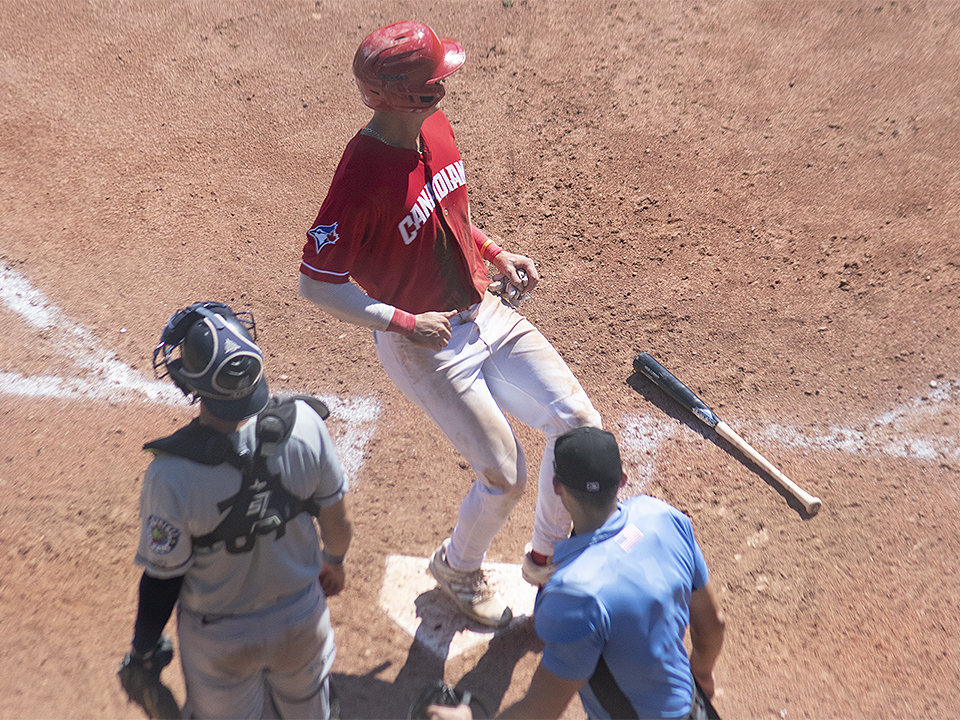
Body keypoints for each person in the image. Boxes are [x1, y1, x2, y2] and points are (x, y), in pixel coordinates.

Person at [298, 20, 601, 629]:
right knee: (505, 474)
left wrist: (493, 252)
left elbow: (445, 209)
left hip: (485, 310)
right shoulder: (359, 178)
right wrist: (402, 320)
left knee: (579, 426)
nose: (445, 83)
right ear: (405, 95)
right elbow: (315, 281)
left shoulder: (432, 125)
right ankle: (458, 567)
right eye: (435, 78)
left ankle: (546, 559)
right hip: (425, 346)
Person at [118, 301, 353, 719]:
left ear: (193, 383)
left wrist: (143, 648)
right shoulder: (305, 425)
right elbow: (338, 522)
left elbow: (162, 581)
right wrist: (333, 561)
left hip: (220, 643)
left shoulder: (170, 475)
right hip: (301, 620)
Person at [428, 426, 726, 720]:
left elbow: (540, 711)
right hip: (695, 709)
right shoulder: (663, 517)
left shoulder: (574, 592)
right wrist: (700, 674)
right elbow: (713, 625)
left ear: (557, 487)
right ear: (621, 480)